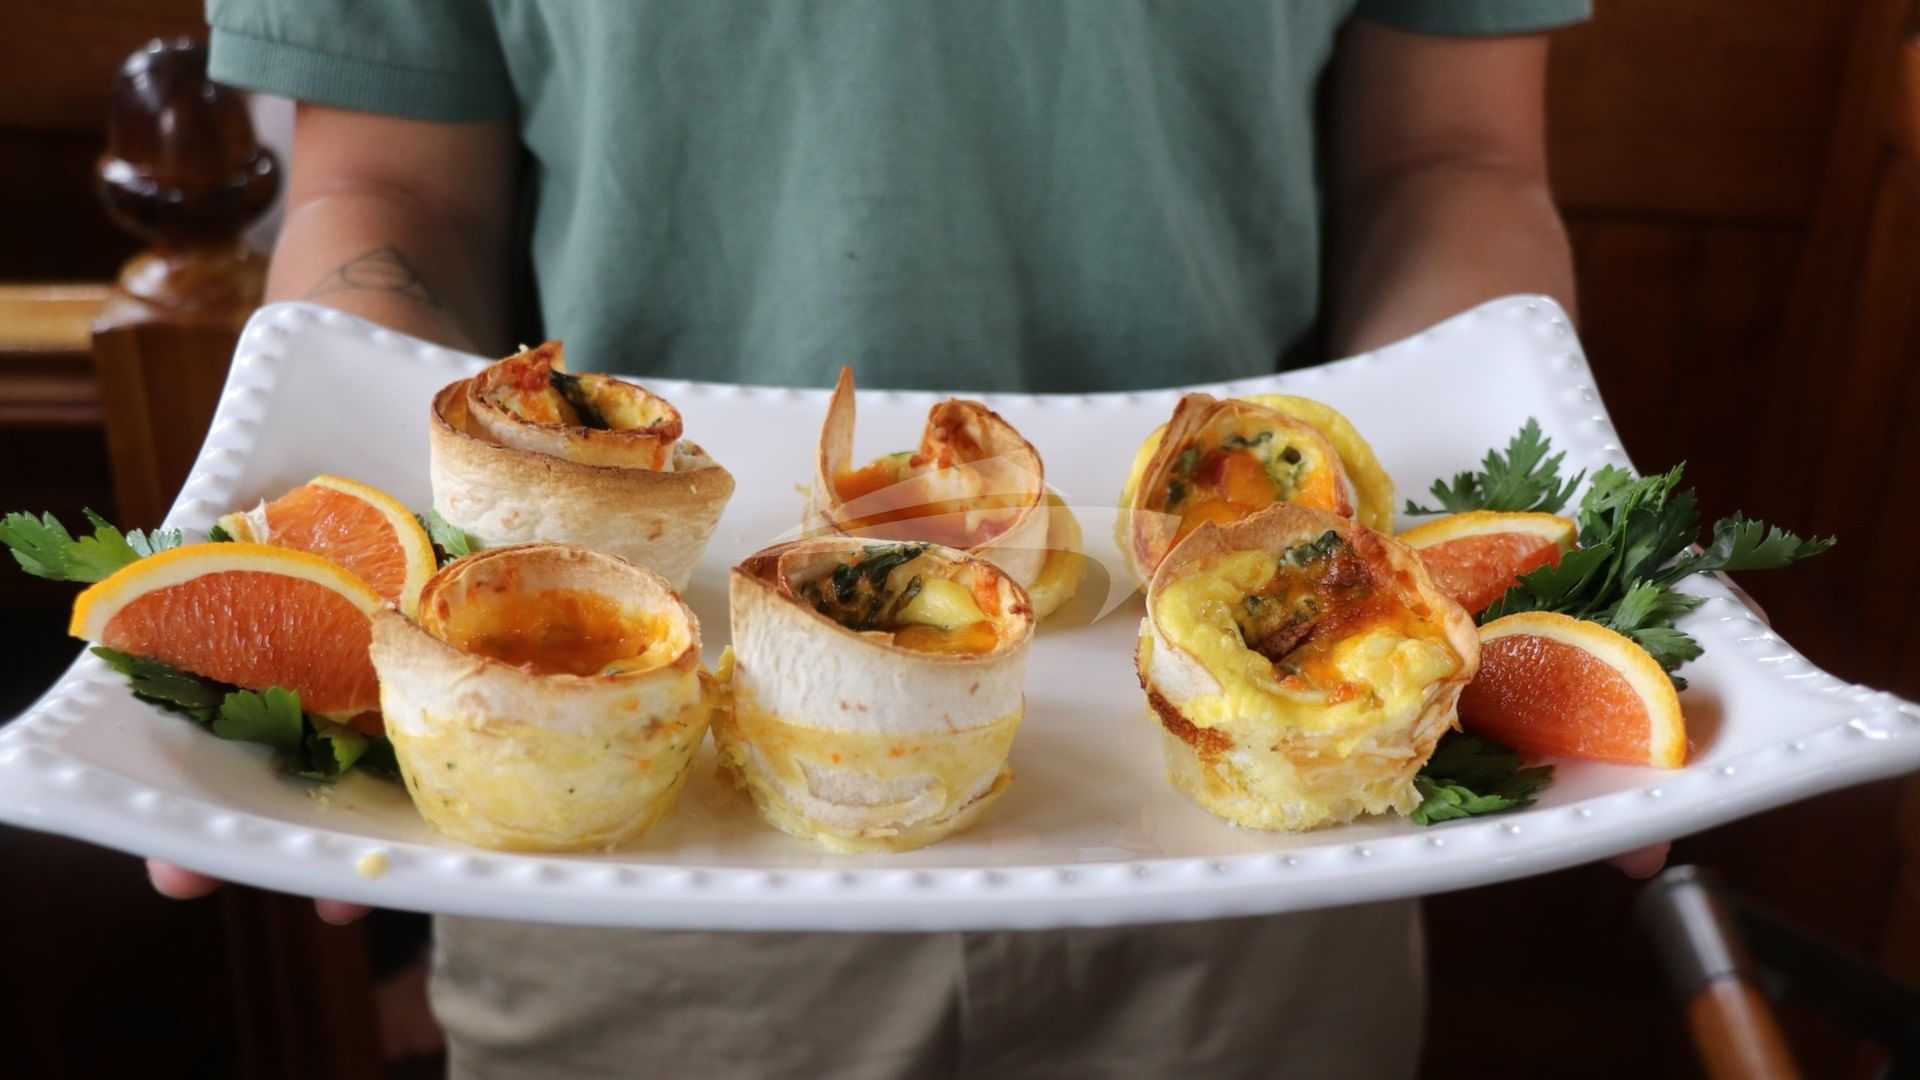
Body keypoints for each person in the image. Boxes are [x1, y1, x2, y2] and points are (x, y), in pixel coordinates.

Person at [151, 2, 1657, 1076]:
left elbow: (1449, 165)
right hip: (625, 869)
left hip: (1252, 894)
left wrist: (1505, 574)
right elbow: (388, 187)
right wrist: (335, 594)